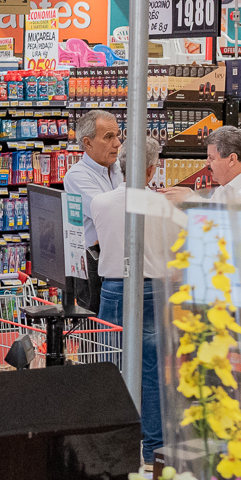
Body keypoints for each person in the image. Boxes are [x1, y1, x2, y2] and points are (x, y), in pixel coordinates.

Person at [88, 158, 170, 461]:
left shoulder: (100, 201)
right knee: (152, 374)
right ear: (151, 168)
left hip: (112, 290)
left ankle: (112, 451)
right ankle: (153, 451)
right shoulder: (163, 207)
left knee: (110, 369)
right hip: (153, 290)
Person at [62, 110, 122, 284]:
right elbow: (110, 213)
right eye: (108, 137)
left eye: (117, 135)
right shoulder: (77, 176)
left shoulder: (121, 168)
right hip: (94, 269)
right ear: (87, 143)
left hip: (120, 263)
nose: (117, 143)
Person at [164, 126, 241, 208]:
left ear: (232, 159)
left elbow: (227, 223)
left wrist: (189, 200)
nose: (206, 163)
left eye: (211, 158)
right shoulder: (226, 187)